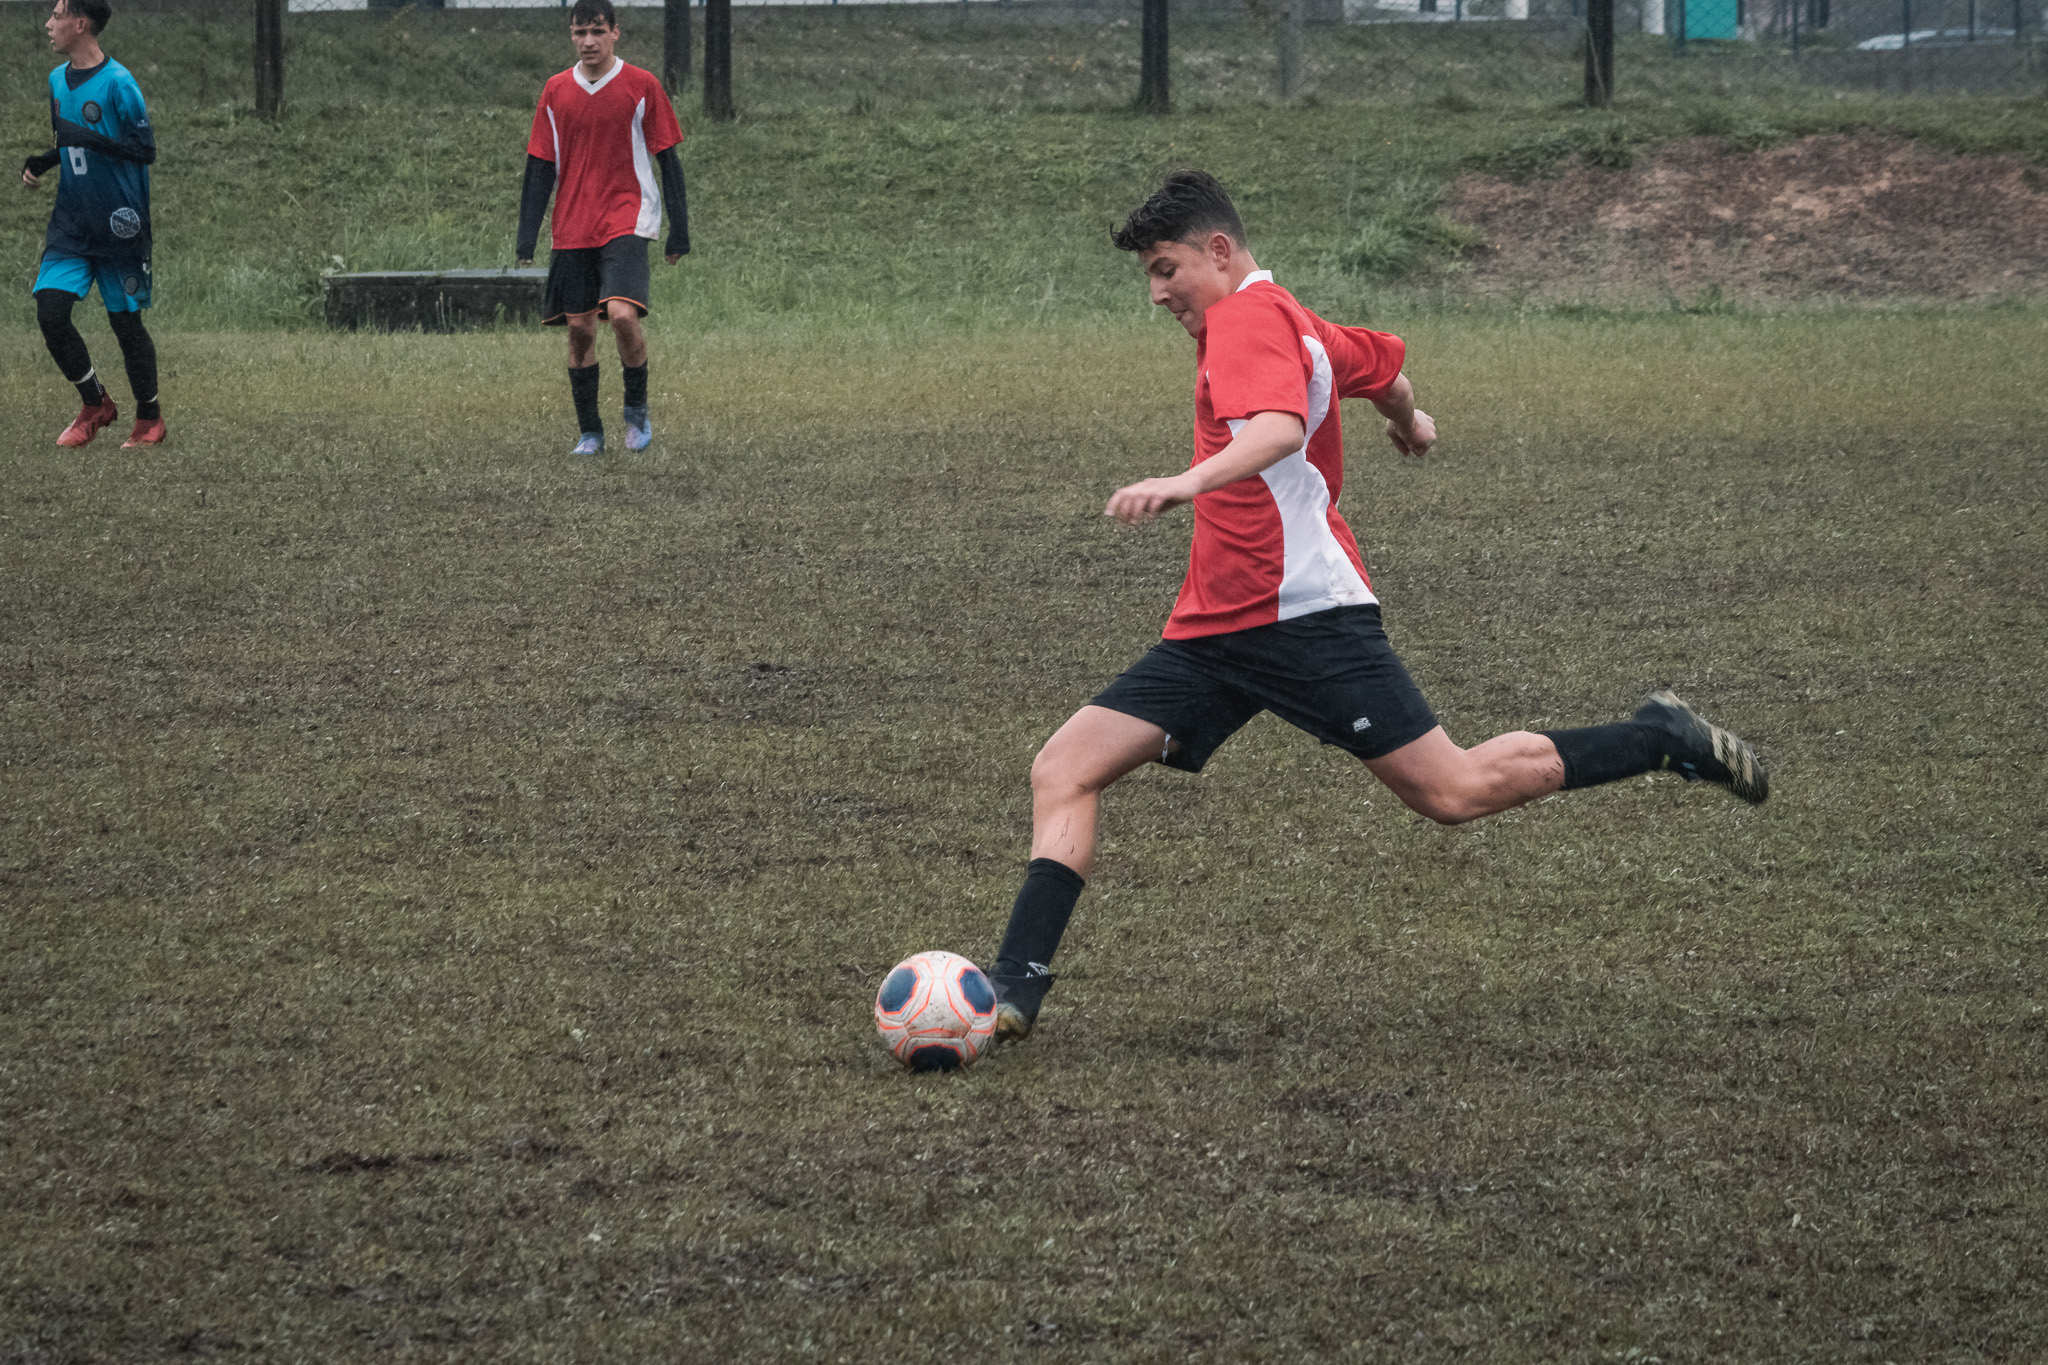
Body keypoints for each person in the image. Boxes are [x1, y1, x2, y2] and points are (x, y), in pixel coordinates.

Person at [985, 170, 1769, 1042]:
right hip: (1216, 628)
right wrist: (1411, 421)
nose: (1159, 292)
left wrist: (1183, 482)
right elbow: (1382, 367)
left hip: (1307, 619)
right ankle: (1011, 991)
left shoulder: (1248, 319)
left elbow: (1277, 427)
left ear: (1219, 249)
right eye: (1148, 277)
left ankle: (1660, 738)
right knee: (1066, 766)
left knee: (1454, 790)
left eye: (1167, 268)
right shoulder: (1302, 324)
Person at [516, 0, 689, 457]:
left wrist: (679, 231)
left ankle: (636, 412)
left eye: (596, 31)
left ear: (616, 32)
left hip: (627, 217)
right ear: (571, 35)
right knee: (580, 331)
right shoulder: (555, 91)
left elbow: (668, 160)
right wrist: (525, 237)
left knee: (621, 315)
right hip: (572, 224)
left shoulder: (642, 85)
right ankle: (591, 432)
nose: (588, 41)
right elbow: (539, 166)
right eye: (579, 33)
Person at [21, 0, 163, 450]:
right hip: (72, 223)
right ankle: (95, 402)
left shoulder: (120, 83)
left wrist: (90, 138)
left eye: (57, 15)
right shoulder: (55, 81)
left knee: (125, 325)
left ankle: (149, 420)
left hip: (120, 223)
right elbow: (66, 139)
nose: (49, 23)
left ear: (80, 24)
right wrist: (45, 160)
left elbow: (145, 150)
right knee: (51, 311)